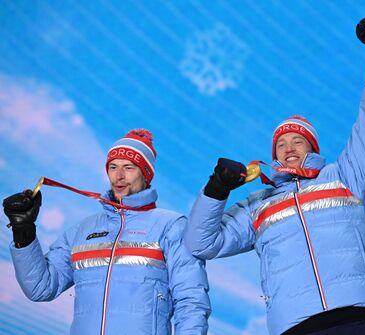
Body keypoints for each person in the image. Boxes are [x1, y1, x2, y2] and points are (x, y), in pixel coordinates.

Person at [184, 15, 365, 335]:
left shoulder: (343, 176)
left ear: (312, 146)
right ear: (274, 156)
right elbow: (201, 243)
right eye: (281, 144)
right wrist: (216, 189)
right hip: (295, 324)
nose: (289, 147)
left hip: (351, 315)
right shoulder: (259, 204)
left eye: (298, 140)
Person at [3, 129, 211, 335]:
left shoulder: (171, 226)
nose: (119, 176)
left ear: (146, 175)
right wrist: (24, 233)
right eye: (113, 167)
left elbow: (191, 301)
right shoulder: (81, 232)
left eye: (129, 168)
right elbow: (41, 287)